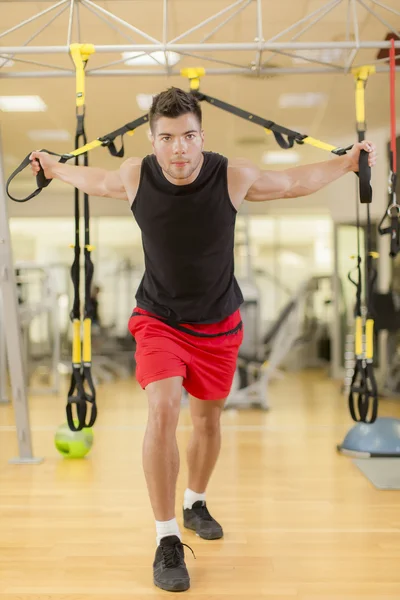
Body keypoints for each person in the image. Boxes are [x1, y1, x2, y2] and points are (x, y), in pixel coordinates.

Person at [29, 87, 377, 593]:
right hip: (159, 319)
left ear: (201, 137)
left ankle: (194, 501)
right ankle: (166, 537)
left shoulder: (230, 175)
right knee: (164, 407)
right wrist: (54, 167)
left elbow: (291, 183)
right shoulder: (136, 177)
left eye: (188, 136)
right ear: (152, 142)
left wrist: (346, 164)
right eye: (167, 138)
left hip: (218, 324)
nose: (179, 150)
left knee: (207, 421)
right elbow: (97, 179)